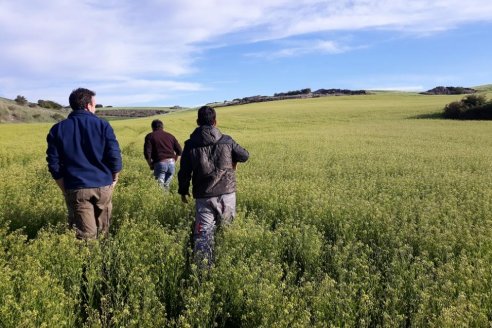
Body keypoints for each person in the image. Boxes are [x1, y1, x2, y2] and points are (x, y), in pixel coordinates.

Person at [46, 88, 122, 239]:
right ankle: (104, 260)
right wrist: (114, 178)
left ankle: (89, 262)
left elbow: (53, 163)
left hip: (76, 187)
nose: (95, 108)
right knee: (103, 231)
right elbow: (114, 155)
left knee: (86, 236)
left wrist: (64, 187)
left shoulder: (58, 129)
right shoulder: (103, 125)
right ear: (88, 105)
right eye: (94, 105)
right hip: (103, 186)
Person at [178, 106, 249, 266]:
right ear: (215, 121)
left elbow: (184, 171)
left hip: (203, 195)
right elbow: (244, 155)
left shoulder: (190, 145)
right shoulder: (227, 140)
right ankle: (227, 262)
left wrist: (183, 191)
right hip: (227, 192)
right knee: (226, 229)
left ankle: (203, 270)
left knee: (203, 234)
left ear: (197, 122)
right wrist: (233, 160)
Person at [144, 119, 182, 190]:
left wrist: (150, 165)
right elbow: (179, 151)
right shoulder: (170, 136)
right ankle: (166, 200)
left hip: (160, 163)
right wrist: (174, 161)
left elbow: (147, 153)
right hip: (171, 164)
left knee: (160, 188)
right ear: (162, 127)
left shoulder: (150, 136)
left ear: (152, 127)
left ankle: (161, 200)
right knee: (166, 186)